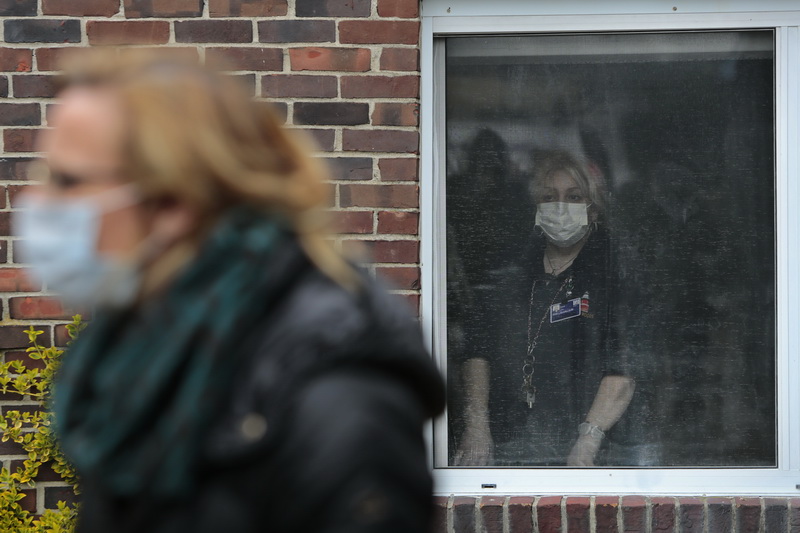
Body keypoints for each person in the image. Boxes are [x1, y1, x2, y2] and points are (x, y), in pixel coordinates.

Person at [13, 51, 445, 533]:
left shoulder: (336, 398)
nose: (36, 201)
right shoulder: (146, 350)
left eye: (66, 181)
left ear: (172, 204)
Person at [454, 151, 635, 467]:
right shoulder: (514, 275)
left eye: (574, 196)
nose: (561, 207)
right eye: (549, 197)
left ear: (593, 209)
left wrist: (587, 443)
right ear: (536, 209)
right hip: (514, 440)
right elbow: (478, 347)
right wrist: (478, 426)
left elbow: (624, 365)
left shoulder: (615, 274)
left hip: (591, 447)